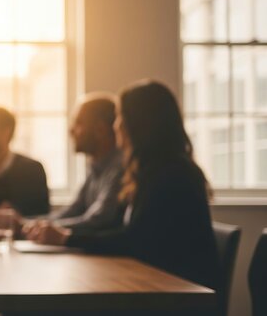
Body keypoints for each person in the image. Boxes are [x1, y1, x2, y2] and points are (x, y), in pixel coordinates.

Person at [26, 80, 219, 290]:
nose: (115, 125)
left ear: (139, 124)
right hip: (160, 284)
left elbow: (133, 240)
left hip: (175, 294)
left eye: (120, 117)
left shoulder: (169, 174)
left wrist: (67, 238)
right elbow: (129, 233)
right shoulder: (155, 169)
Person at [25, 94, 124, 235]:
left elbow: (97, 221)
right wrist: (28, 224)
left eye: (78, 123)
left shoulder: (119, 169)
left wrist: (40, 228)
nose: (71, 130)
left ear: (100, 130)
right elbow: (73, 211)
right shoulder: (96, 167)